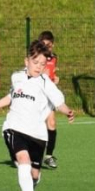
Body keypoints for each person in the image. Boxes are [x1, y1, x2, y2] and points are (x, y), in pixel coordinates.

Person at [0, 40, 75, 191]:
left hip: (38, 133)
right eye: (35, 62)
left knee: (35, 175)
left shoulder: (45, 82)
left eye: (42, 64)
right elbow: (12, 96)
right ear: (26, 61)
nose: (38, 67)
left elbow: (58, 102)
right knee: (23, 159)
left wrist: (67, 111)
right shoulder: (17, 77)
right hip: (14, 127)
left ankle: (30, 187)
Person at [39, 31, 60, 169]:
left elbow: (52, 73)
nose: (47, 48)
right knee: (34, 125)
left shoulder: (54, 58)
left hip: (49, 95)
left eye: (50, 45)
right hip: (37, 94)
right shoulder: (36, 57)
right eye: (45, 45)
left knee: (51, 124)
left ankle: (48, 156)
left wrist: (55, 78)